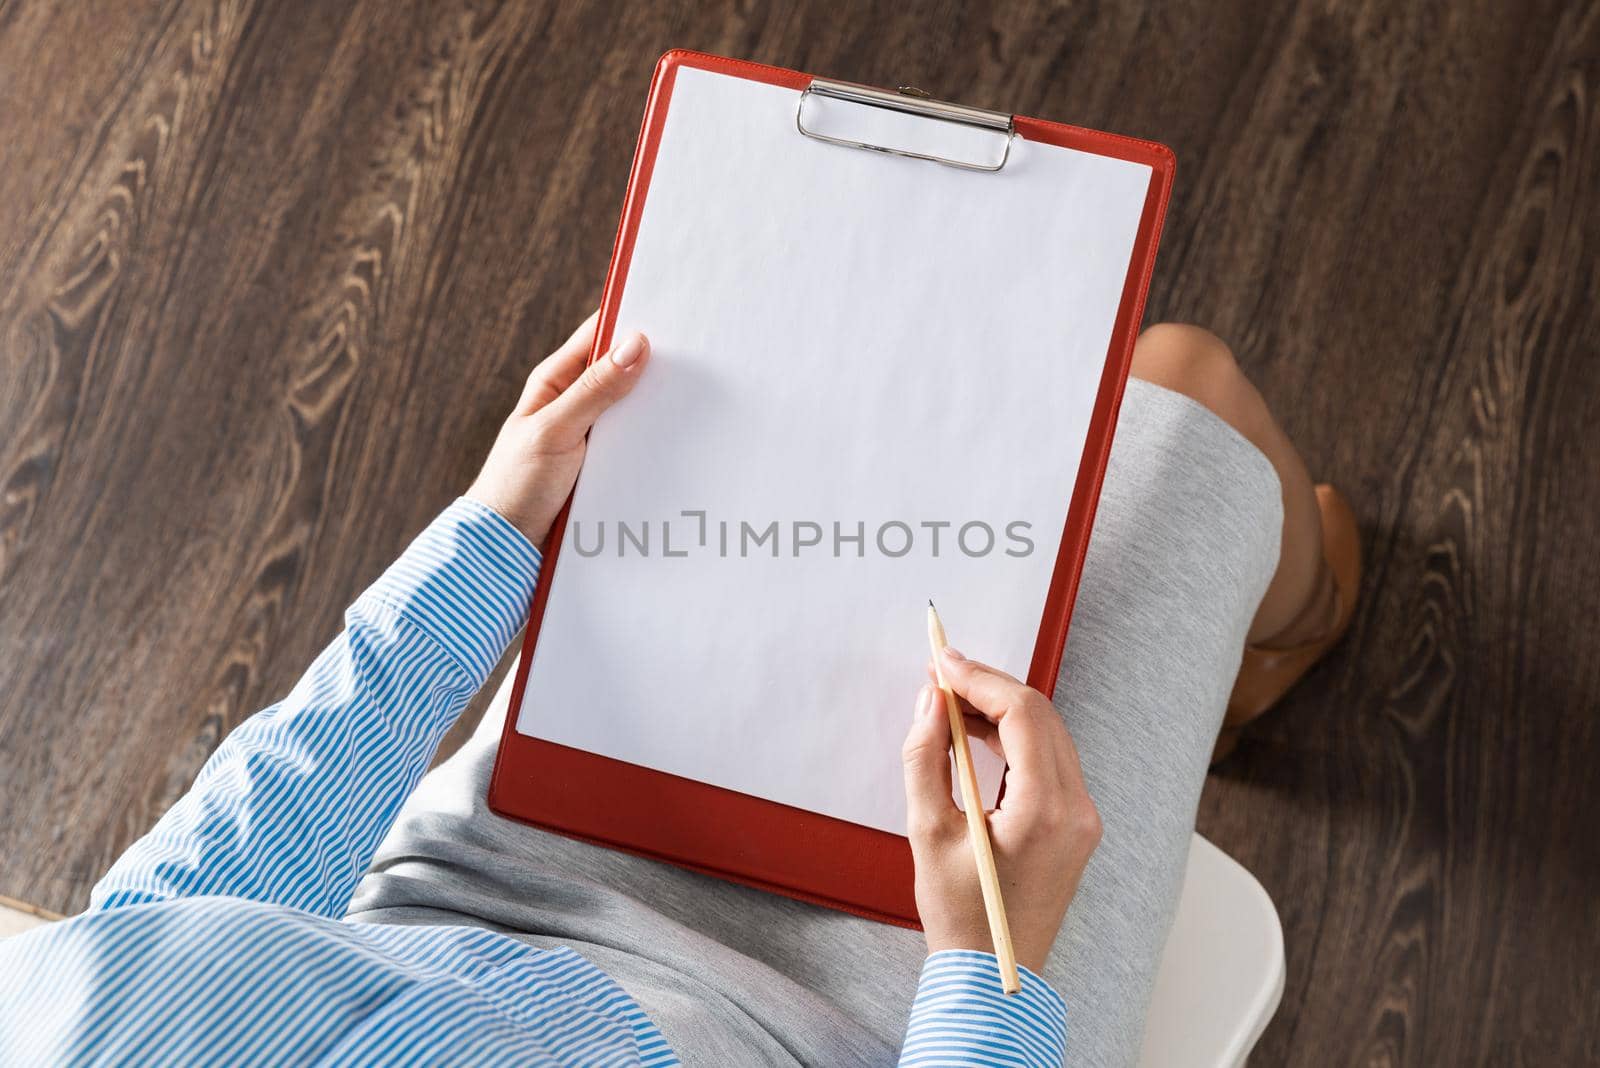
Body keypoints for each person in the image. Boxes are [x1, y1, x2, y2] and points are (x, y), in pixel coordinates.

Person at [0, 314, 1358, 1066]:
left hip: (480, 903)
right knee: (1184, 393)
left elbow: (182, 910)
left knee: (776, 383)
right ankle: (1292, 630)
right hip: (874, 1028)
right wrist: (987, 969)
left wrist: (486, 538)